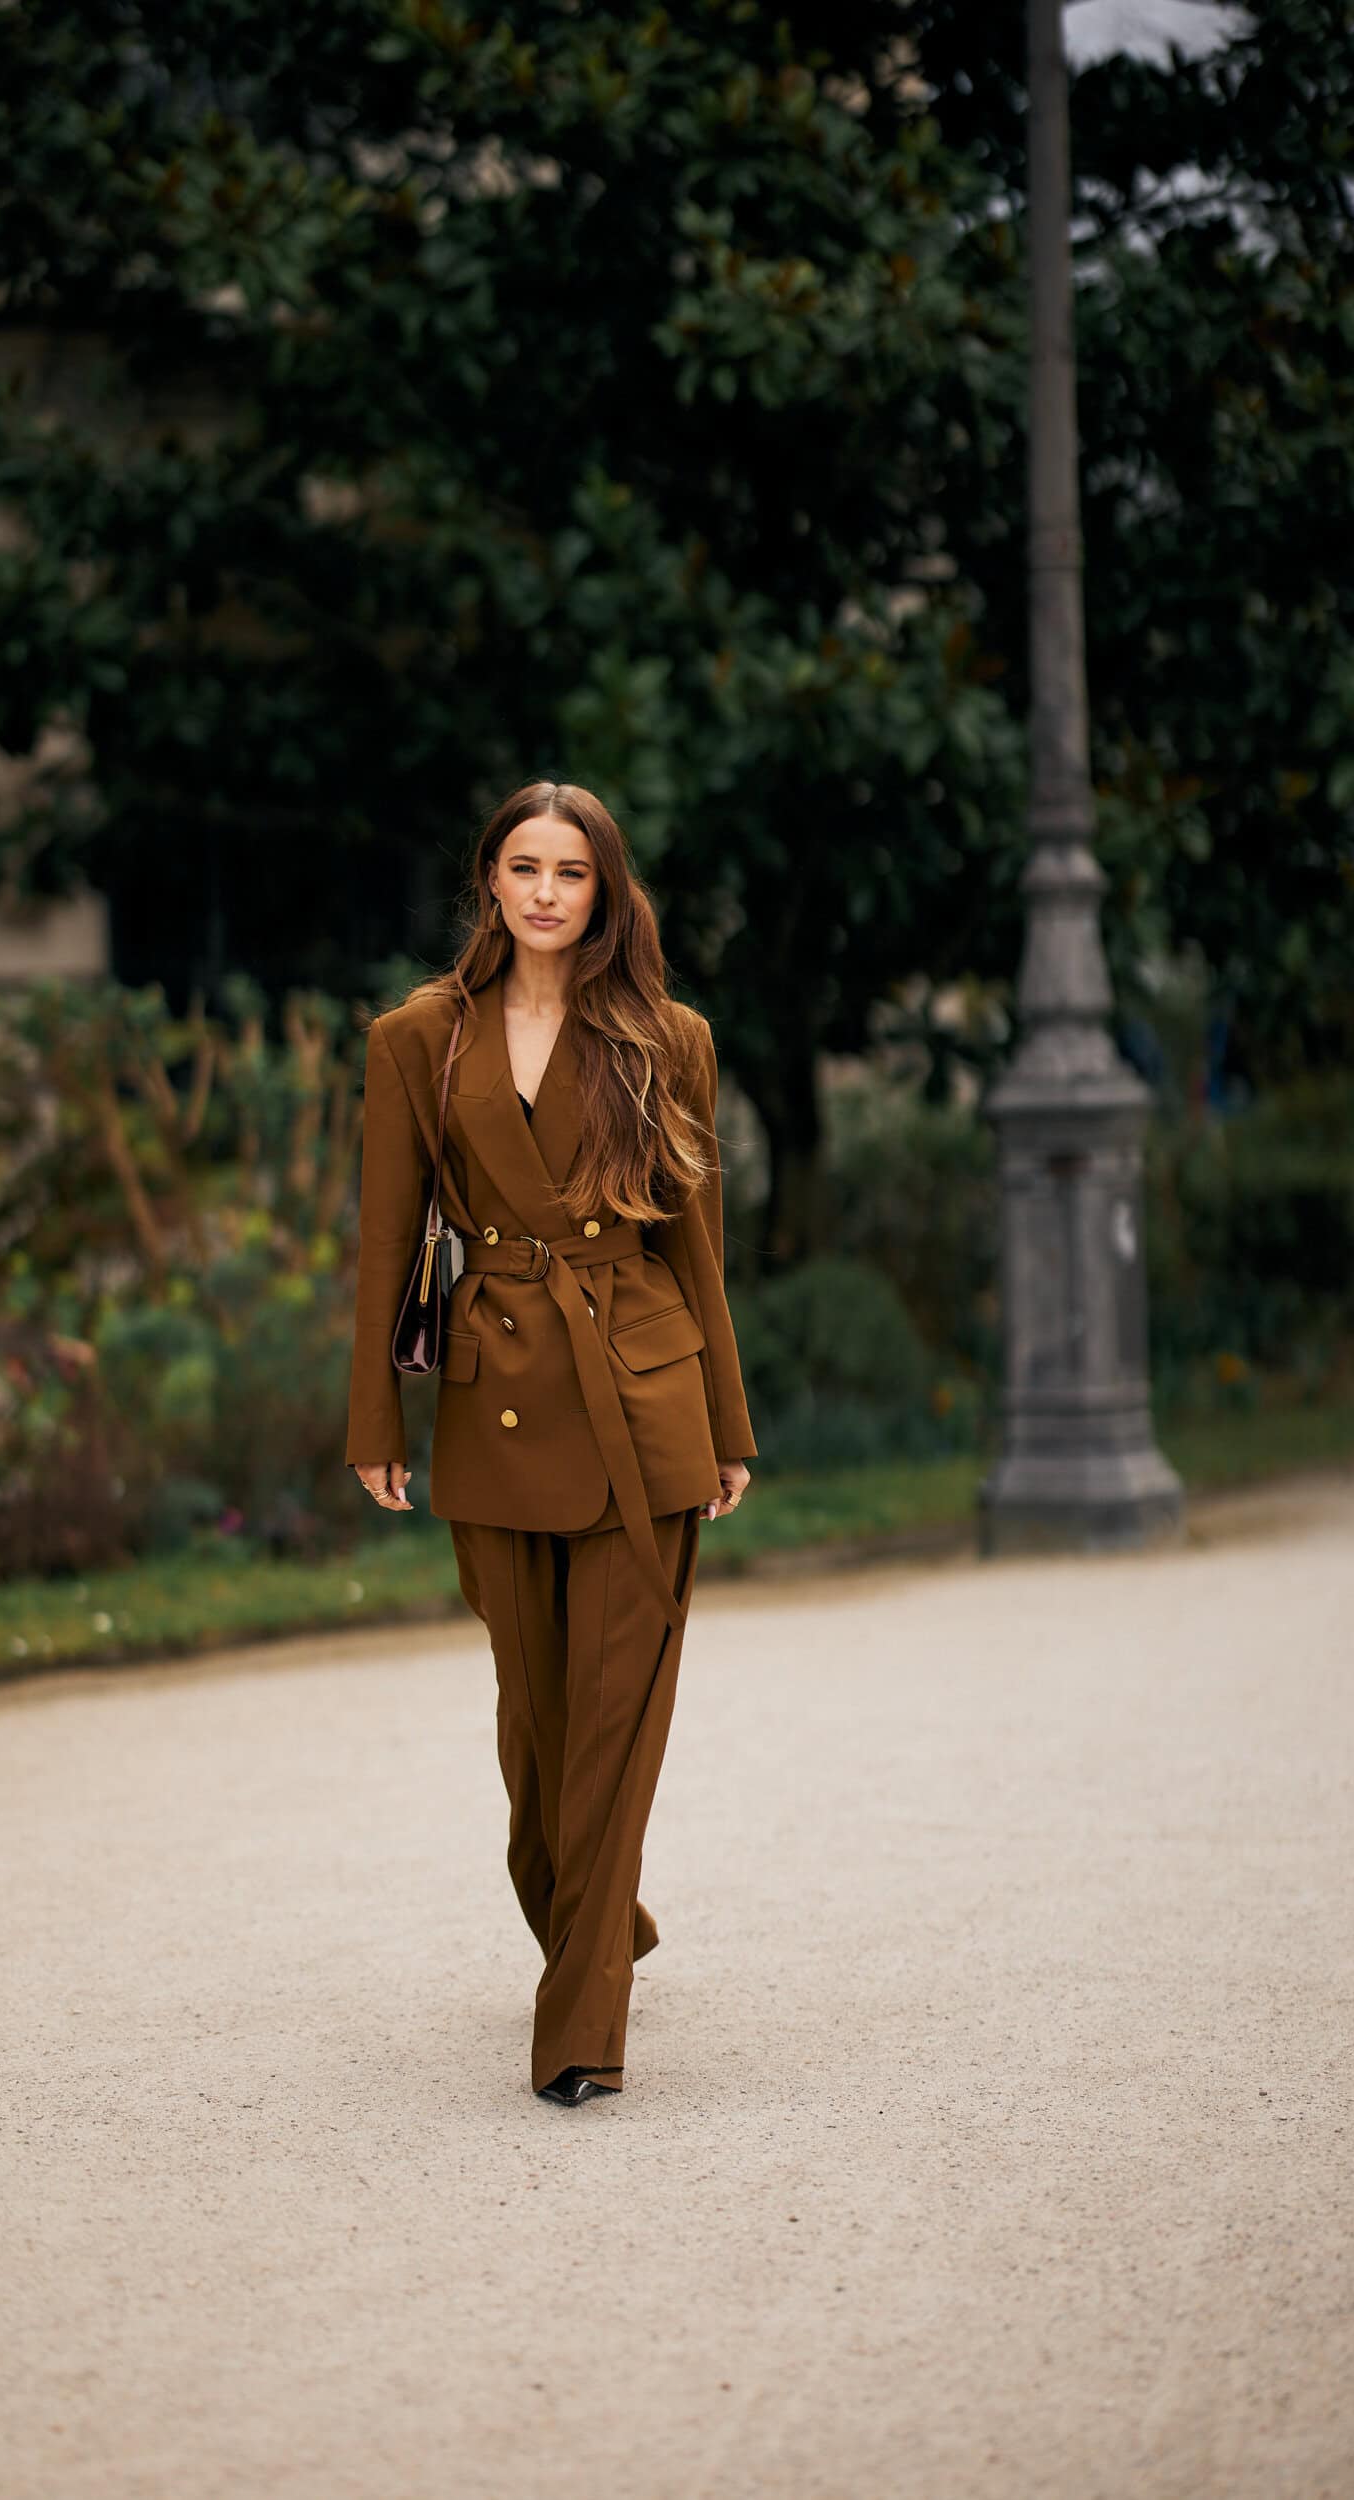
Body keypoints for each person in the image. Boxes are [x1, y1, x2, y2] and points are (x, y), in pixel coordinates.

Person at [345, 780, 757, 2108]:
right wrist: (373, 1419)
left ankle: (580, 2023)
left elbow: (691, 1240)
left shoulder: (665, 1037)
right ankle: (595, 1907)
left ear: (604, 893)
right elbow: (384, 1240)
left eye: (570, 871)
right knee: (535, 1728)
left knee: (615, 1723)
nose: (543, 891)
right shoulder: (421, 1039)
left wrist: (729, 1427)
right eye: (522, 866)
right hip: (498, 1392)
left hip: (647, 1391)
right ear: (489, 884)